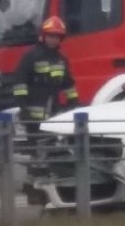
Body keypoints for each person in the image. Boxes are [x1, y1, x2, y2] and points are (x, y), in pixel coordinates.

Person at [12, 16, 79, 147]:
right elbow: (20, 83)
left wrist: (73, 102)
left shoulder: (61, 59)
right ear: (43, 36)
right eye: (51, 36)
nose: (54, 40)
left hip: (53, 110)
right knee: (35, 147)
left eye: (57, 37)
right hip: (33, 113)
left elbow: (68, 84)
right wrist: (23, 107)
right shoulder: (31, 56)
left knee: (52, 146)